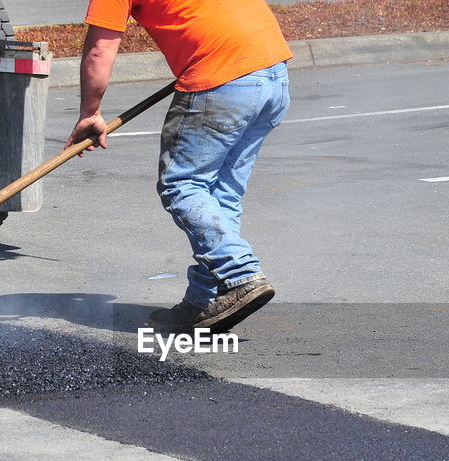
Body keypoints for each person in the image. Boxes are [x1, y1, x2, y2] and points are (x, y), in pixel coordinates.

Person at [66, 0, 292, 334]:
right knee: (220, 193)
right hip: (272, 73)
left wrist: (90, 113)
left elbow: (100, 50)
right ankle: (205, 301)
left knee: (182, 184)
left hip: (223, 77)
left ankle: (241, 274)